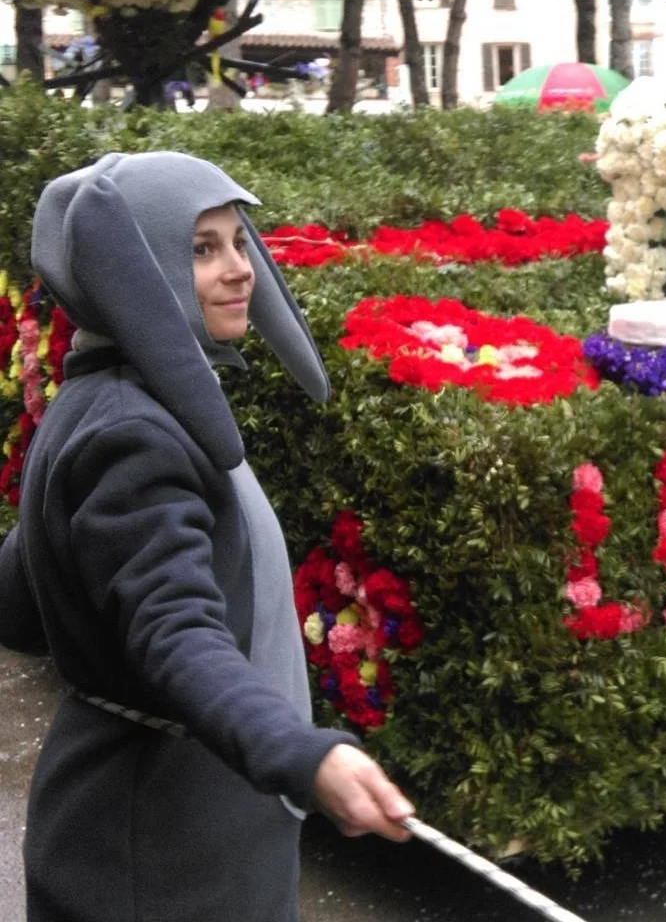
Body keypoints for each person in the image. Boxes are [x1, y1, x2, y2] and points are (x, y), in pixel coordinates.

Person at [0, 152, 415, 922]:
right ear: (131, 268)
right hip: (161, 850)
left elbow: (21, 604)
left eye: (237, 240)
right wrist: (299, 752)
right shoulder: (134, 432)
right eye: (200, 248)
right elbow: (173, 631)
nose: (240, 269)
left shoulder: (101, 401)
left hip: (153, 826)